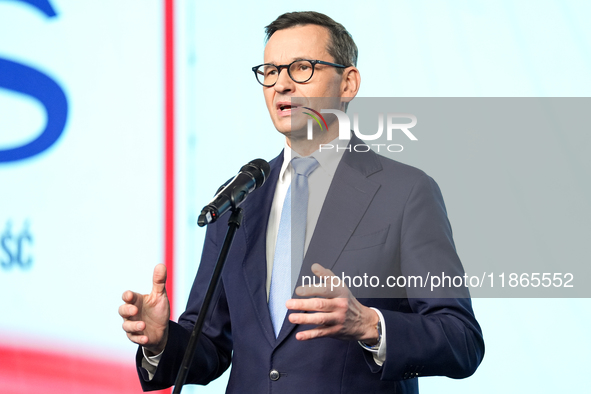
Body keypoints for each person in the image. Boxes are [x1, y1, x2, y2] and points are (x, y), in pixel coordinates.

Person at [119, 11, 484, 393]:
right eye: (271, 71)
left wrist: (370, 325)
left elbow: (461, 339)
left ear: (349, 82)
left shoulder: (405, 191)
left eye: (302, 68)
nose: (281, 85)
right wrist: (162, 341)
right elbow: (209, 344)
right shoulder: (241, 196)